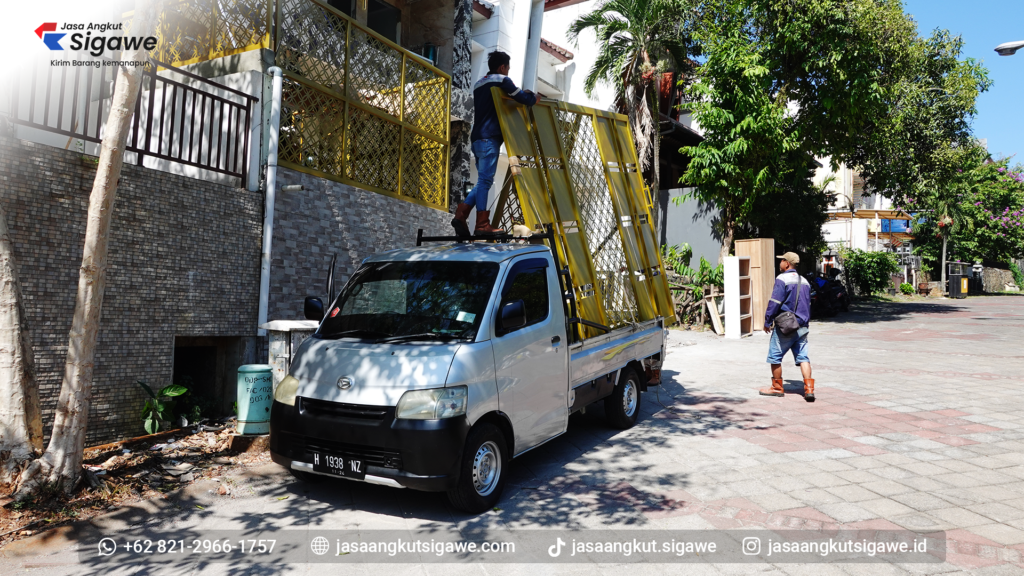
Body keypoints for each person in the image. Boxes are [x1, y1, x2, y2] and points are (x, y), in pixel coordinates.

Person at [452, 51, 539, 237]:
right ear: (502, 67)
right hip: (490, 139)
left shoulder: (479, 84)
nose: (508, 71)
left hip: (476, 139)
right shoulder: (502, 81)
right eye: (507, 68)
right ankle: (482, 225)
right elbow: (522, 98)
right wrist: (534, 98)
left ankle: (461, 215)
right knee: (485, 181)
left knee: (483, 180)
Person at [760, 252, 815, 402]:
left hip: (786, 325)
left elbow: (775, 302)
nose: (780, 262)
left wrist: (767, 321)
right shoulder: (805, 281)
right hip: (802, 325)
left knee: (775, 356)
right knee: (803, 357)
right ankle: (809, 389)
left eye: (782, 260)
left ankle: (777, 388)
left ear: (787, 263)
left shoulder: (782, 279)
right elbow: (807, 305)